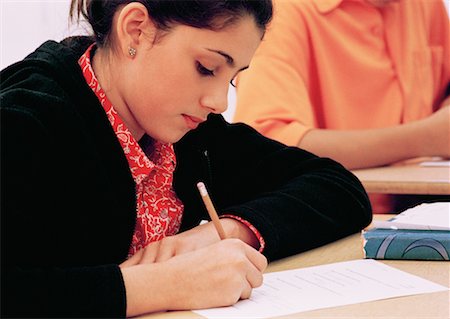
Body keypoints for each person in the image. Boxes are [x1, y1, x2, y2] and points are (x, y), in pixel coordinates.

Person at [0, 0, 372, 317]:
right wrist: (166, 284)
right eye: (206, 68)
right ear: (136, 31)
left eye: (230, 79)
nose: (219, 102)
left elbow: (338, 187)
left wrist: (222, 233)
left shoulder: (187, 130)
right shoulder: (24, 119)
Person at [234, 0, 450, 214]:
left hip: (427, 213)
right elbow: (266, 148)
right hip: (335, 223)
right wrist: (426, 138)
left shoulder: (425, 5)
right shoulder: (283, 14)